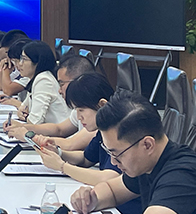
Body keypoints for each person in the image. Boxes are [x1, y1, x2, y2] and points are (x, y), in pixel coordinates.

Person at [70, 92, 196, 214]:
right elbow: (112, 191)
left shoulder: (182, 177)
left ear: (147, 145)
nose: (113, 162)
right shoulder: (147, 162)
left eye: (117, 154)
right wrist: (90, 199)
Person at [34, 73, 140, 214]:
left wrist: (62, 166)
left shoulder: (121, 133)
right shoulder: (102, 131)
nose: (79, 117)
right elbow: (85, 158)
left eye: (81, 110)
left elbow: (110, 177)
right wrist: (58, 152)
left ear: (102, 105)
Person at [5, 54, 97, 150]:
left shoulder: (96, 110)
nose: (59, 90)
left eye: (62, 84)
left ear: (79, 80)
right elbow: (59, 129)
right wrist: (22, 126)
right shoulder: (80, 106)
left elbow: (70, 144)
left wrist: (29, 136)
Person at [0, 40, 69, 124]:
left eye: (24, 59)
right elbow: (23, 107)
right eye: (21, 59)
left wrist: (19, 124)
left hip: (58, 130)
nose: (20, 64)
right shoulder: (35, 78)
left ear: (38, 62)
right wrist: (21, 112)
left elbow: (35, 121)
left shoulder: (44, 80)